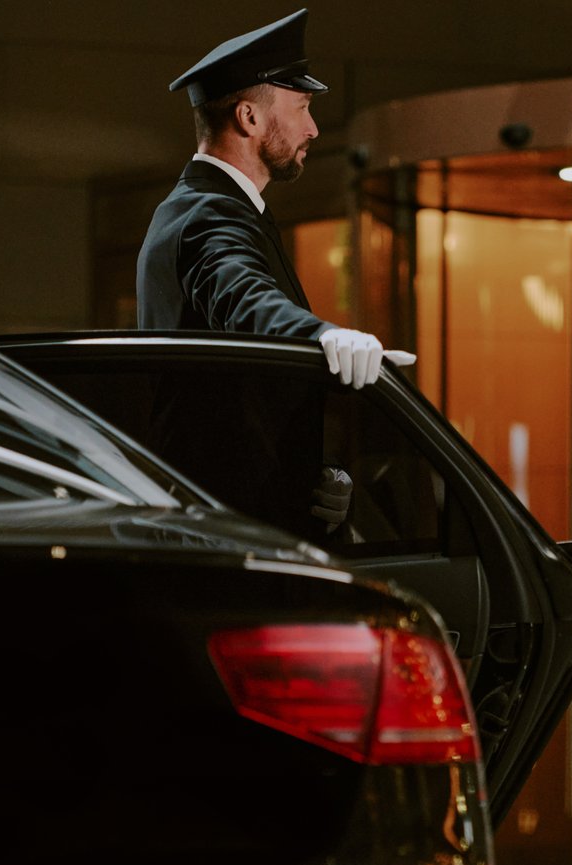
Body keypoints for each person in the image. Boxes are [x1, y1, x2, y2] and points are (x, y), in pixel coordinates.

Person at [138, 8, 403, 533]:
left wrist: (313, 478)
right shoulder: (208, 215)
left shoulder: (214, 208)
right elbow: (243, 298)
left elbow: (245, 403)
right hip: (226, 546)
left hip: (238, 532)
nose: (313, 128)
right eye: (301, 107)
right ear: (249, 119)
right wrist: (324, 336)